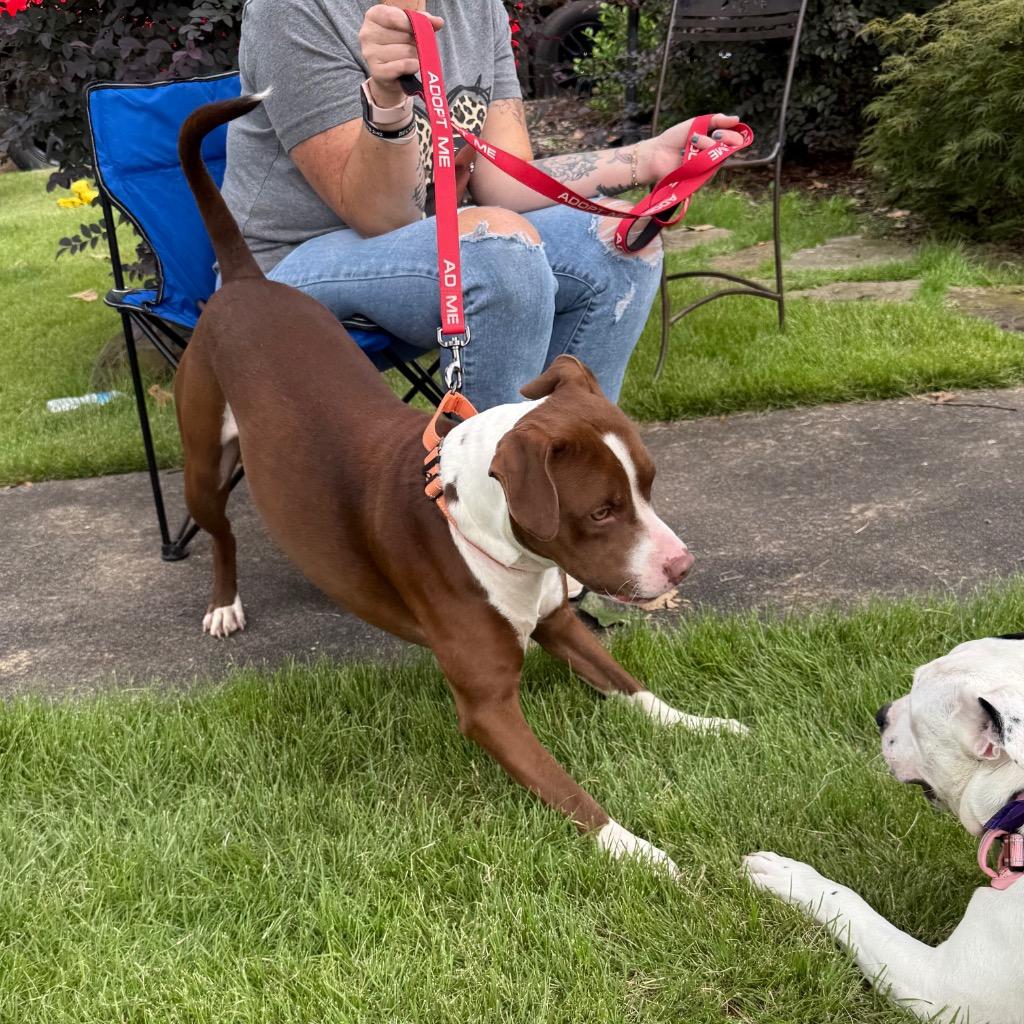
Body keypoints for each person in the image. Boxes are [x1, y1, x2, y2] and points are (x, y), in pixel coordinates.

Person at [221, 0, 744, 410]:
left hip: (429, 254)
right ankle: (485, 506)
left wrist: (646, 158)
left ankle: (566, 479)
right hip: (281, 273)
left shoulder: (478, 7)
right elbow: (379, 215)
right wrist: (386, 99)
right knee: (498, 248)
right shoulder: (290, 10)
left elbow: (503, 181)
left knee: (620, 245)